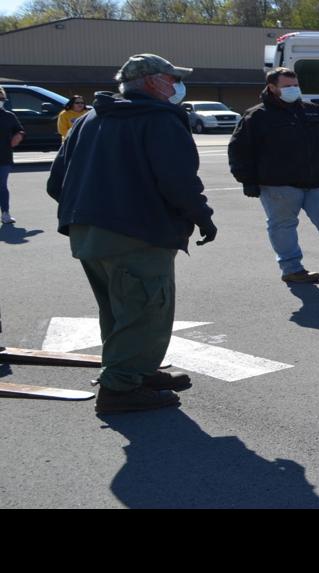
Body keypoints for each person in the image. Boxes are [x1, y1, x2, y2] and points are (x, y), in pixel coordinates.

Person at [47, 53, 215, 414]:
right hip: (138, 234)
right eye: (172, 79)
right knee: (145, 310)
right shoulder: (160, 120)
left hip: (88, 232)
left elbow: (56, 182)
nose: (176, 86)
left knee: (118, 309)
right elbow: (178, 182)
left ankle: (136, 371)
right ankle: (120, 389)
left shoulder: (88, 120)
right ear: (153, 82)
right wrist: (202, 217)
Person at [229, 68, 319, 284]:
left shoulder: (312, 111)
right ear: (272, 87)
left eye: (295, 85)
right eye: (287, 86)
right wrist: (248, 181)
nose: (293, 90)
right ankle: (292, 269)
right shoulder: (256, 116)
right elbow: (240, 151)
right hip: (279, 185)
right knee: (282, 227)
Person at [1, 88, 23, 226]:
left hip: (4, 156)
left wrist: (19, 135)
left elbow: (19, 129)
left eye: (1, 98)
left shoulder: (9, 116)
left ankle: (5, 213)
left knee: (2, 185)